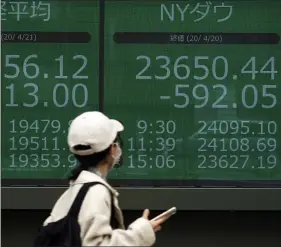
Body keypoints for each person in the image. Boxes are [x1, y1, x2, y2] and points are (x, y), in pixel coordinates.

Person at [43, 111, 165, 246]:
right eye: (116, 142)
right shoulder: (97, 192)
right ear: (112, 149)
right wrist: (140, 233)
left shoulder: (74, 190)